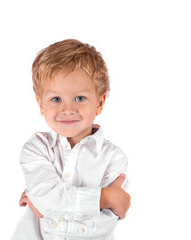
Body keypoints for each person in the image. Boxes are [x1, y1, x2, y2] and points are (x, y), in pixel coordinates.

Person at [11, 39, 131, 240]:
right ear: (41, 104)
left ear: (100, 103)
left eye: (80, 98)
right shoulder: (36, 149)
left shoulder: (113, 158)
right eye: (56, 99)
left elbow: (103, 227)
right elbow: (47, 202)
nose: (67, 109)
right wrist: (105, 197)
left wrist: (47, 207)